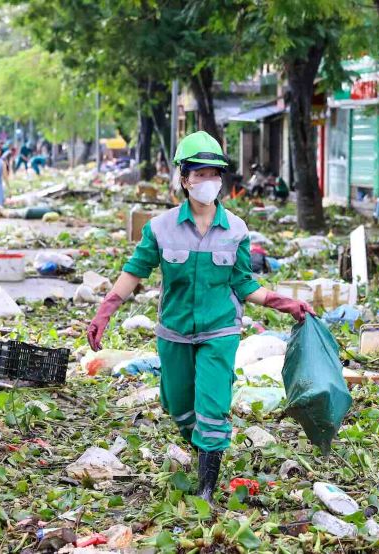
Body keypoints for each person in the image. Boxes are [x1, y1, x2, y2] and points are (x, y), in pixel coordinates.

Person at [87, 131, 314, 503]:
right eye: (200, 174)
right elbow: (135, 271)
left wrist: (282, 302)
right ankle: (202, 448)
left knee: (212, 406)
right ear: (184, 178)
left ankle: (206, 489)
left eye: (214, 174)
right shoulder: (160, 228)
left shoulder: (236, 229)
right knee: (179, 406)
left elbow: (243, 282)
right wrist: (106, 309)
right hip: (174, 331)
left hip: (219, 330)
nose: (208, 181)